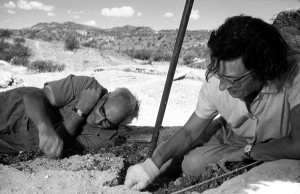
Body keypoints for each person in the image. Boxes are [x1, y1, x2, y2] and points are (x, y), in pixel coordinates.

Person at [125, 15, 300, 190]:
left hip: (277, 140)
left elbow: (297, 145)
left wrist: (247, 152)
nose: (223, 86)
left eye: (233, 80)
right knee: (191, 164)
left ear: (264, 67)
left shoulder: (295, 74)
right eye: (220, 76)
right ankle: (221, 135)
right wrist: (150, 166)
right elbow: (188, 132)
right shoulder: (217, 79)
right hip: (234, 134)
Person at [0, 74, 140, 158]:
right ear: (105, 96)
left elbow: (59, 143)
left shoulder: (106, 139)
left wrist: (81, 110)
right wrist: (44, 127)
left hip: (14, 144)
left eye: (107, 122)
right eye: (102, 111)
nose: (98, 120)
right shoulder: (87, 85)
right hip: (12, 108)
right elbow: (33, 96)